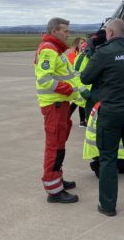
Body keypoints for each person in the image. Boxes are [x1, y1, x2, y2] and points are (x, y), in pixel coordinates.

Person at [80, 19, 124, 217]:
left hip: (111, 113)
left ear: (110, 32)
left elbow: (85, 78)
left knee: (108, 159)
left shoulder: (103, 53)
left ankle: (108, 206)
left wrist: (94, 54)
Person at [34, 17, 86, 204]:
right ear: (54, 30)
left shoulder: (57, 50)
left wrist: (80, 95)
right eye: (65, 30)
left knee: (60, 145)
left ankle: (57, 178)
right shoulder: (49, 50)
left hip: (61, 104)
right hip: (54, 106)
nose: (68, 34)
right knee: (54, 148)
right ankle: (54, 191)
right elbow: (45, 80)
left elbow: (69, 77)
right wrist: (71, 90)